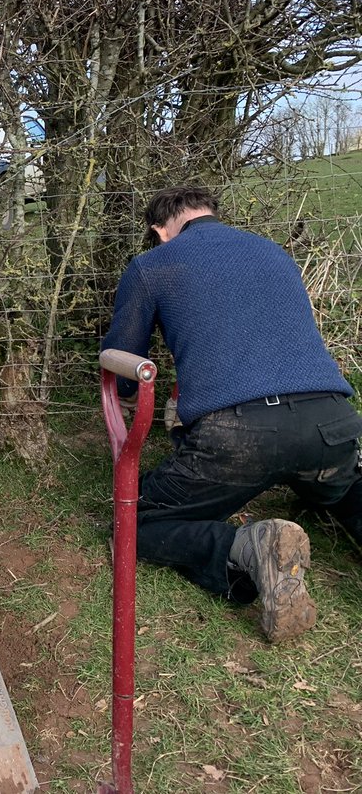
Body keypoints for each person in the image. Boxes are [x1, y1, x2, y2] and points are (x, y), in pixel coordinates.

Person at [102, 184, 362, 643]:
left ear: (160, 230)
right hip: (330, 422)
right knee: (344, 493)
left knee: (135, 524)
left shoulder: (154, 265)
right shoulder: (274, 253)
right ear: (210, 214)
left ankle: (246, 548)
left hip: (238, 438)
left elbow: (125, 371)